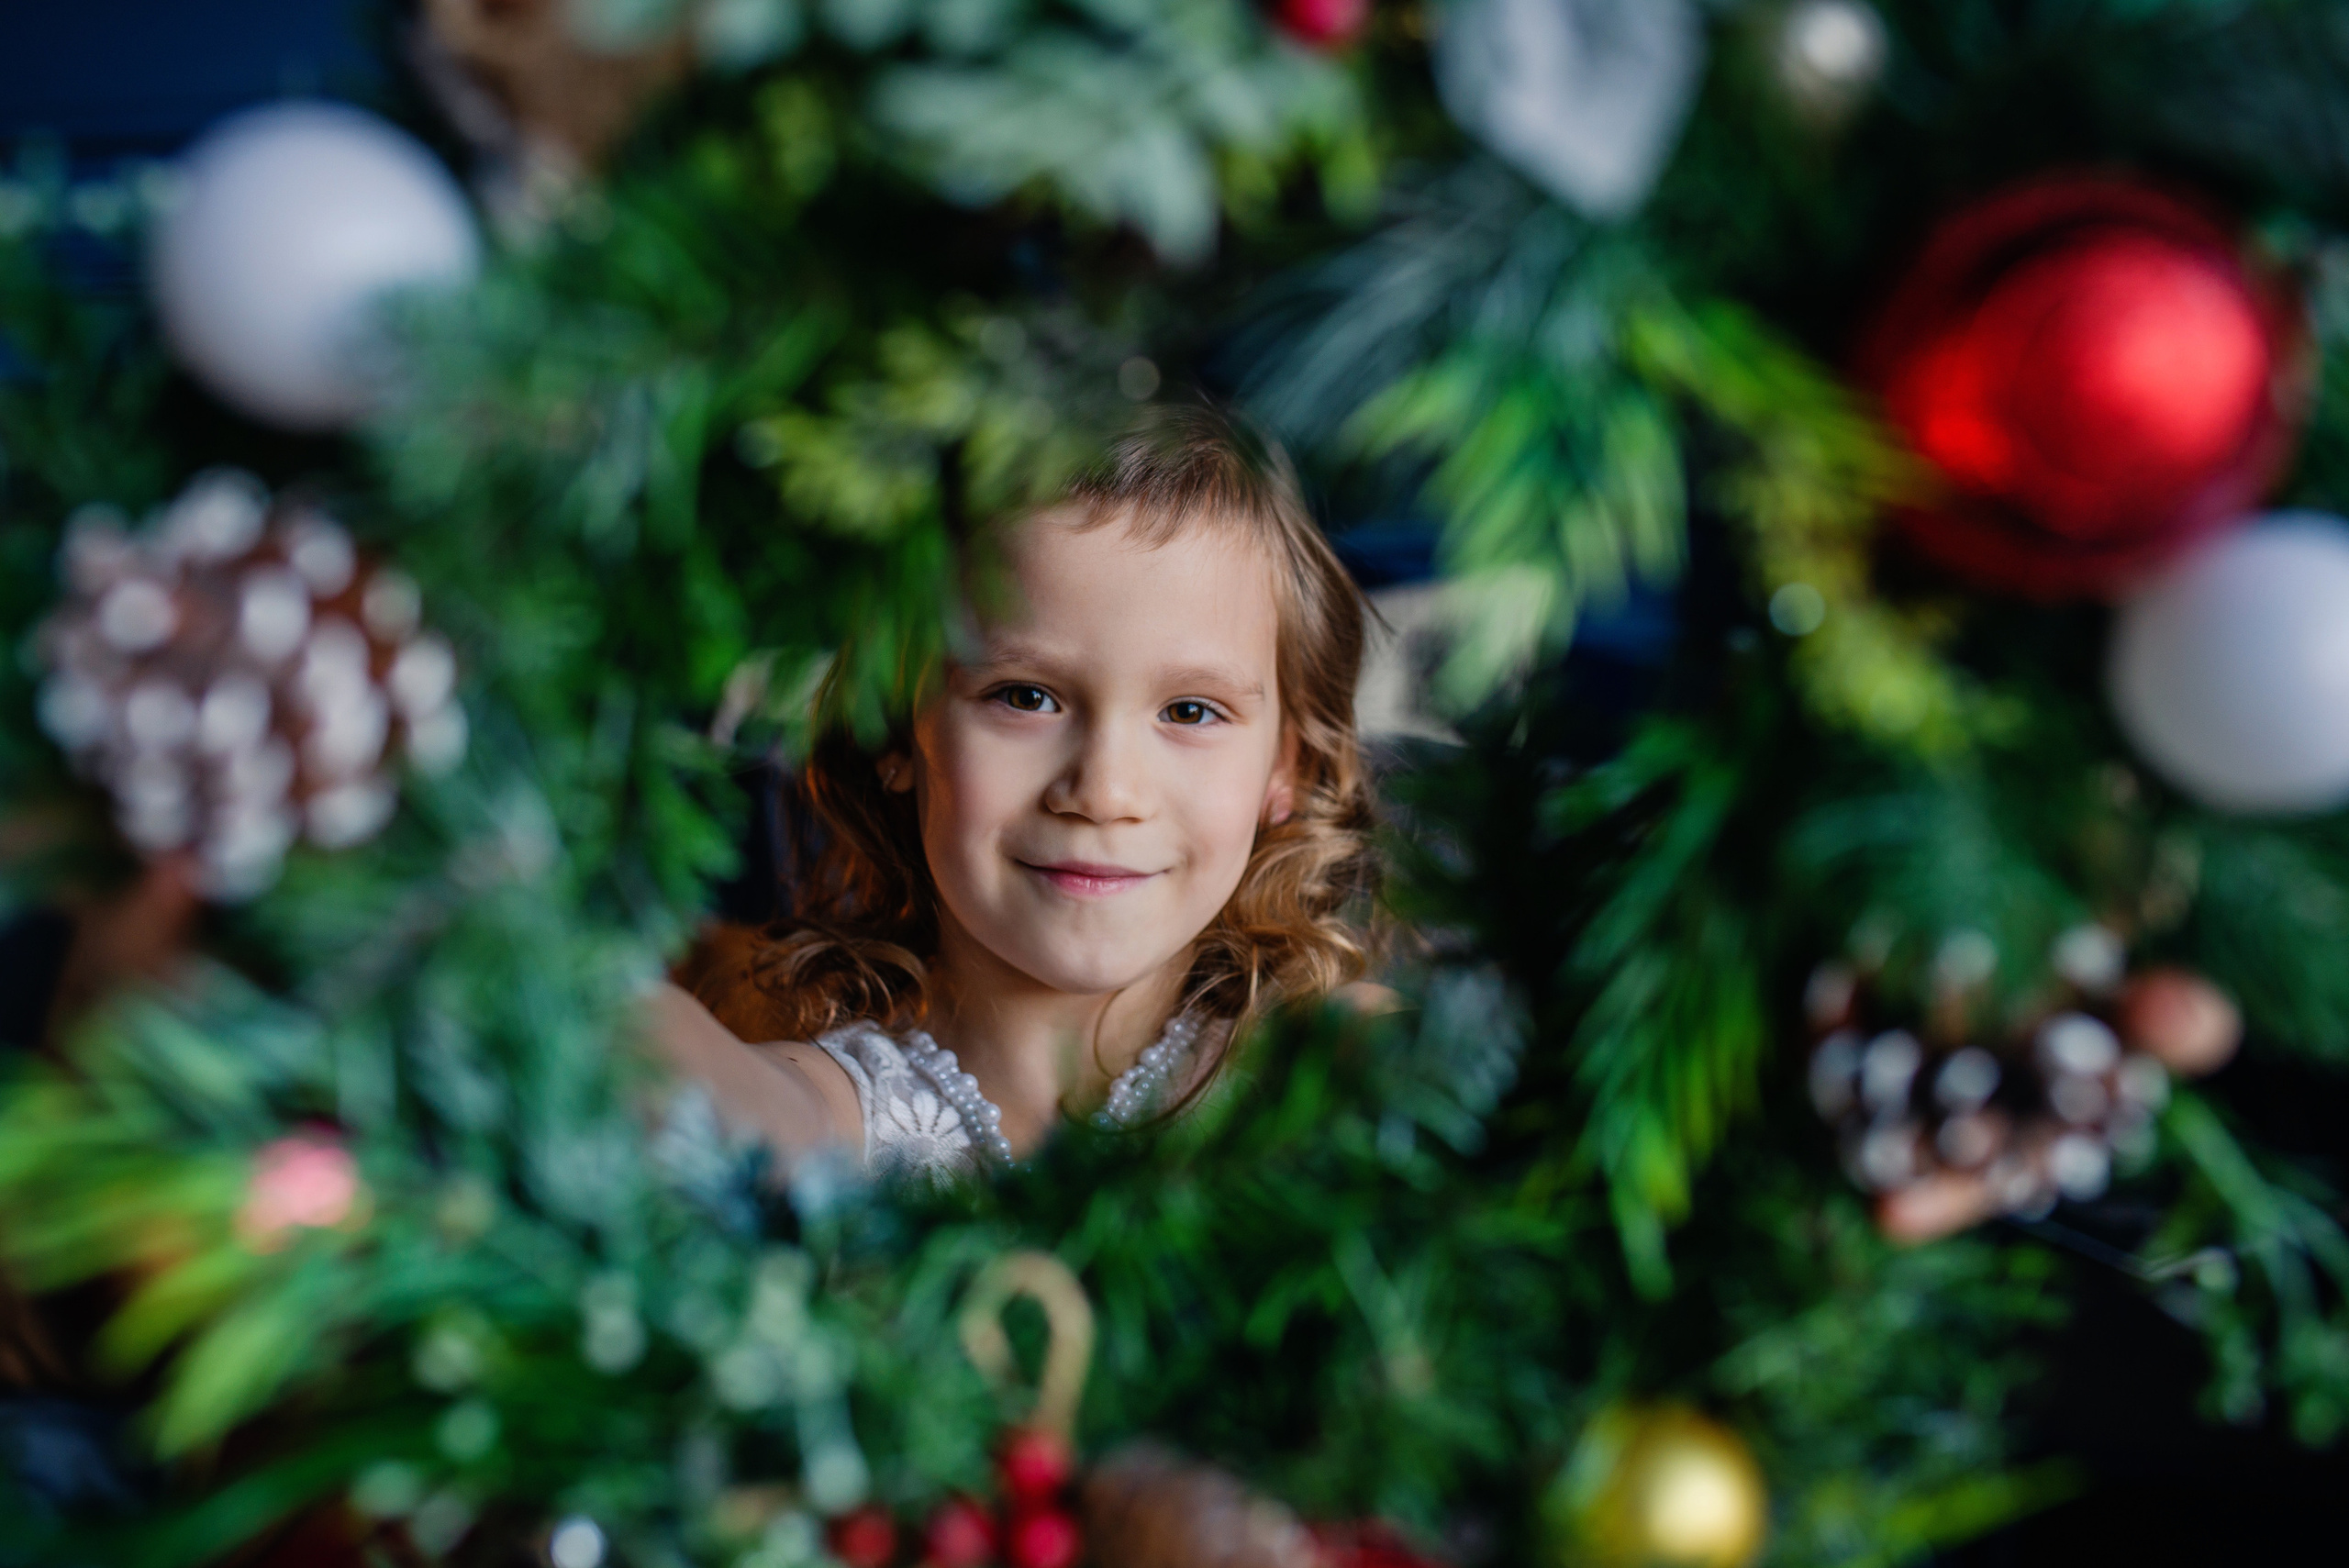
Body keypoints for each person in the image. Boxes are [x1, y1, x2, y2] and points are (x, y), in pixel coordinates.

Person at [644, 405, 1377, 1179]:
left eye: (1190, 711)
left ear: (1282, 769)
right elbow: (689, 1082)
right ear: (895, 730)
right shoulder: (831, 1113)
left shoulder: (1329, 1074)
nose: (1103, 791)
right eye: (1025, 697)